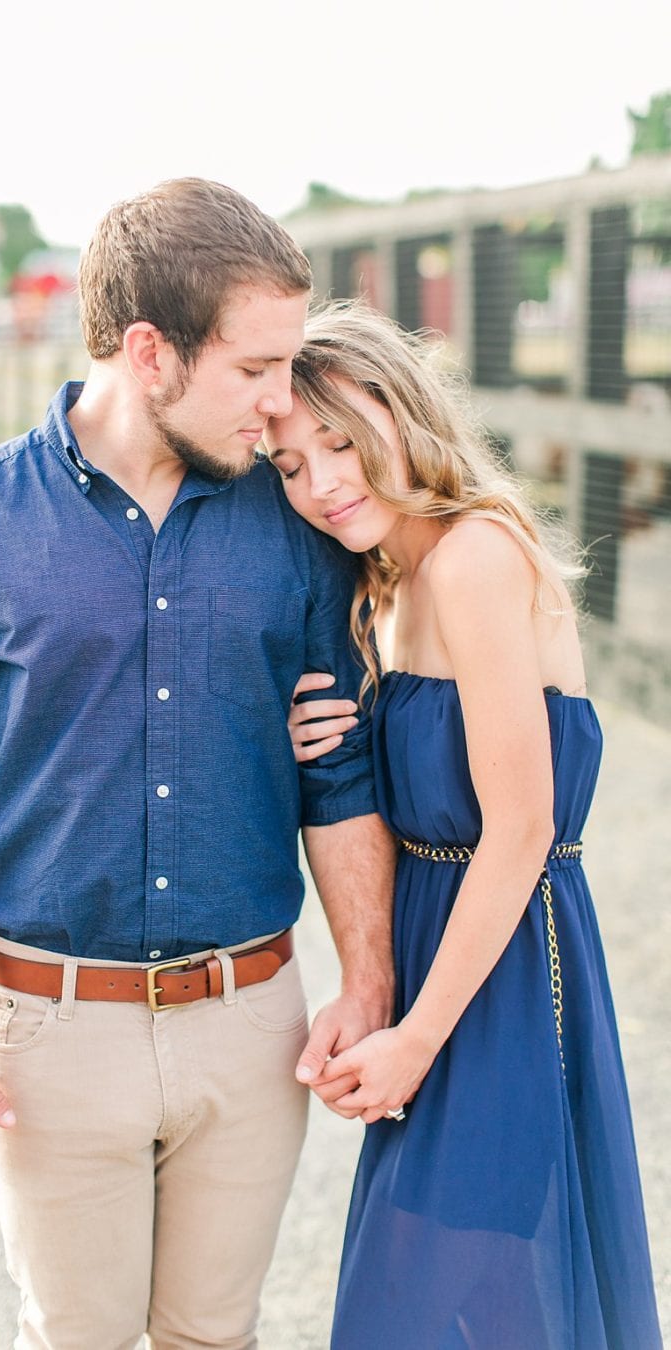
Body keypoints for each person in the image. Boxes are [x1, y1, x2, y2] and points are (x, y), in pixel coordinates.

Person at [0, 176, 398, 1350]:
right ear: (150, 352)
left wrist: (365, 979)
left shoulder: (293, 525)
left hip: (251, 1020)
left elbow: (337, 776)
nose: (277, 402)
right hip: (50, 1036)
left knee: (216, 1336)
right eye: (254, 370)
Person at [271, 301, 661, 1348]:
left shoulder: (475, 556)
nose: (322, 483)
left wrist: (416, 1038)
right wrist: (336, 739)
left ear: (405, 411)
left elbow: (521, 829)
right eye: (291, 467)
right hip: (439, 961)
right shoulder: (385, 585)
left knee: (476, 1284)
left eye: (341, 442)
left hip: (507, 970)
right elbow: (416, 801)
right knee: (443, 1288)